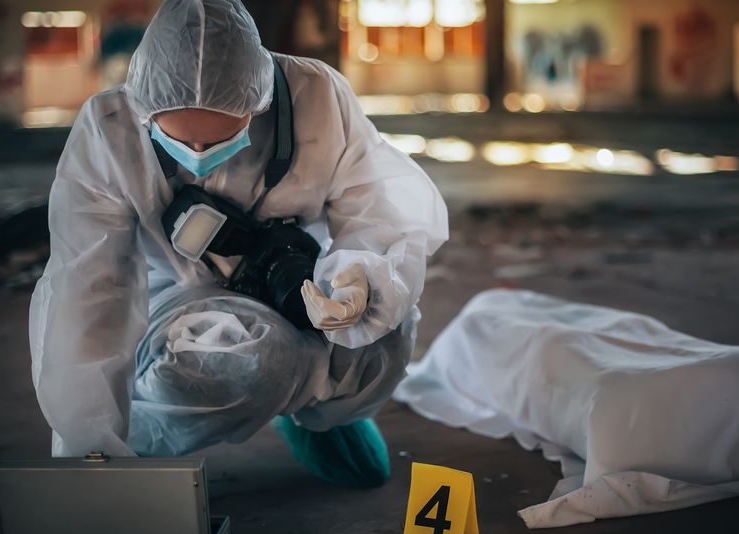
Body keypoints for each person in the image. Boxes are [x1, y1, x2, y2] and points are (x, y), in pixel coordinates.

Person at [29, 0, 447, 488]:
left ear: (259, 102)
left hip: (305, 284)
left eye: (220, 137)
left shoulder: (317, 97)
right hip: (181, 295)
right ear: (145, 109)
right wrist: (91, 450)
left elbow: (377, 200)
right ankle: (143, 437)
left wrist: (359, 272)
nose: (200, 157)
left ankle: (319, 414)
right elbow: (87, 289)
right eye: (184, 143)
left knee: (389, 328)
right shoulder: (109, 133)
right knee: (235, 362)